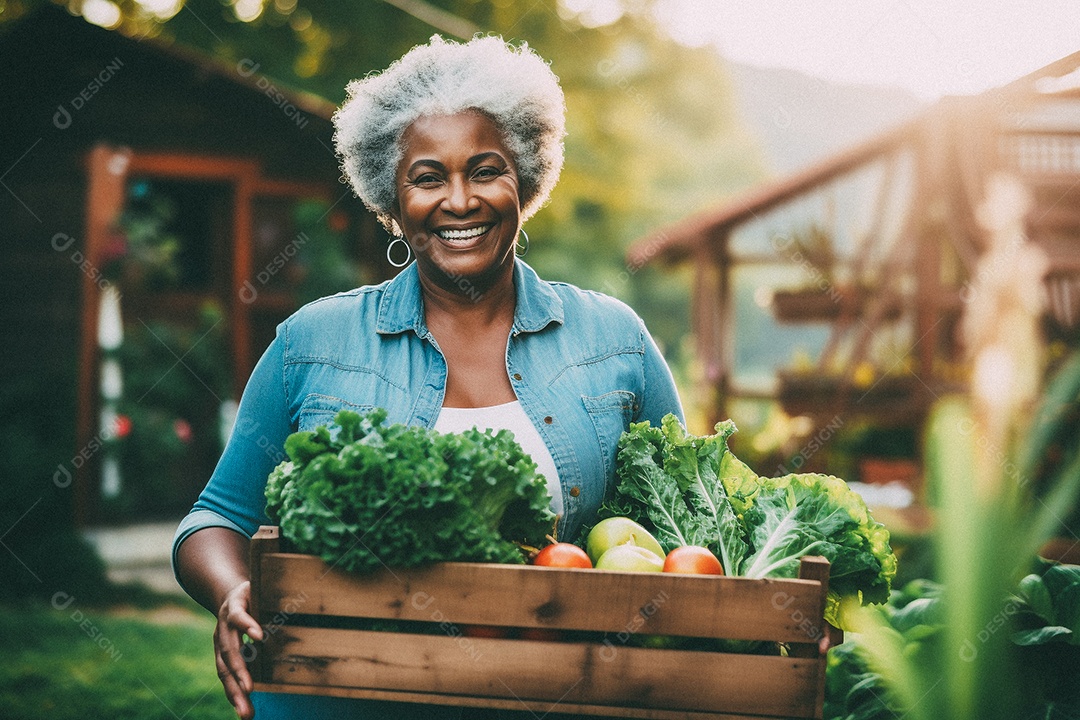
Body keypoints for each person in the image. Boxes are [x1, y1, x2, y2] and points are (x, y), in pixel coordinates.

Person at [172, 34, 684, 720]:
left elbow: (690, 530)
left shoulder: (611, 338)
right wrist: (234, 590)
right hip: (338, 700)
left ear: (526, 180)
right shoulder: (311, 344)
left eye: (485, 170)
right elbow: (215, 519)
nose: (460, 200)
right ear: (392, 196)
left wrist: (781, 615)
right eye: (428, 177)